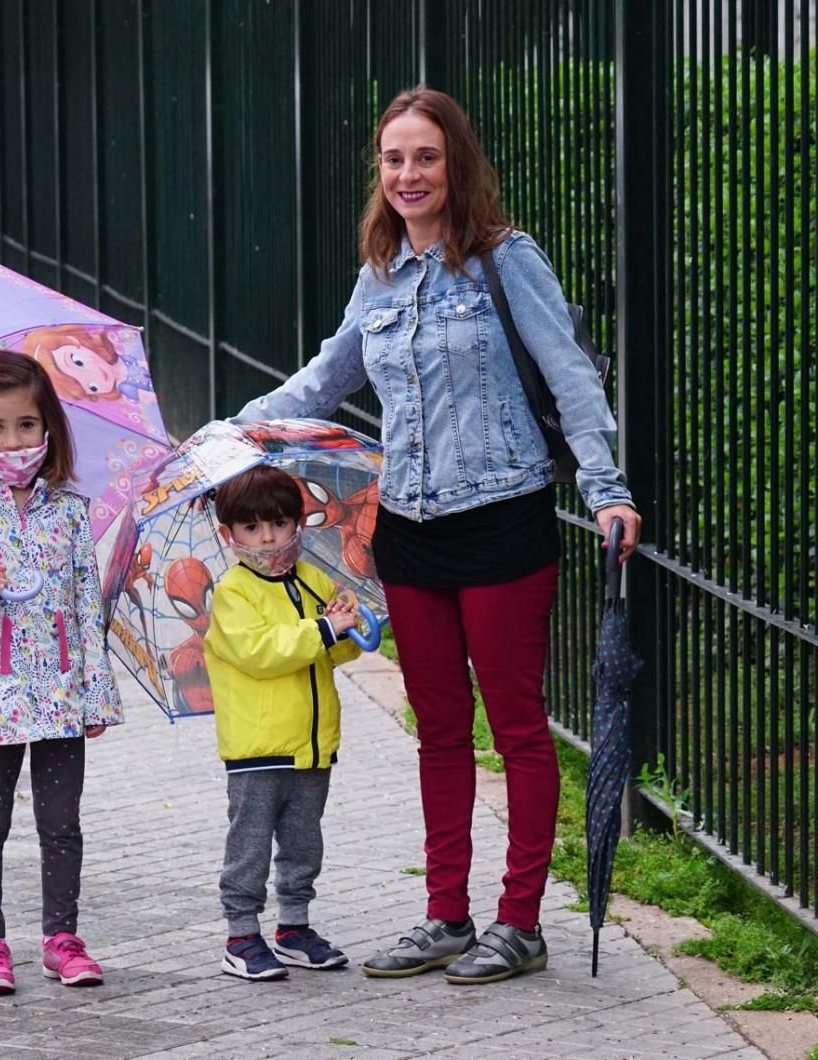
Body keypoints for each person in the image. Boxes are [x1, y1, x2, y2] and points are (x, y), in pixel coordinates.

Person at [236, 86, 641, 985]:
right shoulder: (380, 275)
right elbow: (323, 377)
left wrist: (608, 490)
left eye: (425, 156)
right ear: (379, 174)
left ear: (455, 163)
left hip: (503, 520)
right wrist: (233, 433)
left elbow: (571, 379)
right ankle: (446, 915)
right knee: (441, 731)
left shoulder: (505, 259)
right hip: (410, 529)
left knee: (519, 727)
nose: (409, 174)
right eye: (393, 160)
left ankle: (521, 921)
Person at [0, 350, 123, 995]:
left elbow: (88, 605)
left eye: (27, 425)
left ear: (49, 429)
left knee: (62, 822)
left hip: (61, 692)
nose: (14, 440)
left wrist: (97, 694)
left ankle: (61, 938)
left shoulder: (68, 510)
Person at [203, 464, 362, 981]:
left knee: (303, 842)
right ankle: (241, 934)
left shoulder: (312, 580)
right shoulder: (234, 592)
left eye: (277, 523)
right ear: (230, 535)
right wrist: (321, 627)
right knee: (248, 843)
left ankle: (294, 927)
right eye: (251, 527)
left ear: (299, 523)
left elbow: (333, 657)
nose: (266, 536)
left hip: (312, 745)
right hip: (258, 747)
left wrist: (345, 626)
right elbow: (260, 653)